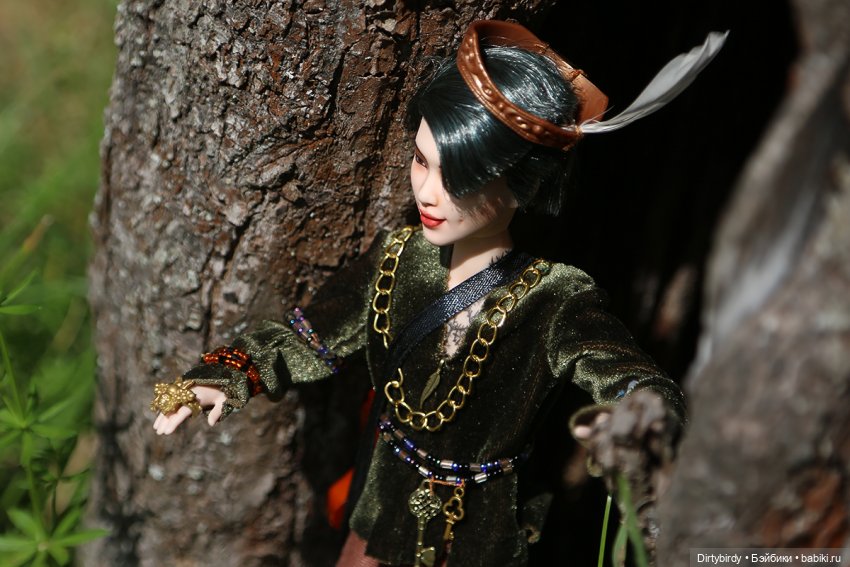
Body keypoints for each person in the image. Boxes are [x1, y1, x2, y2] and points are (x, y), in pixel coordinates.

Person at [151, 20, 725, 566]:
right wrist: (227, 375)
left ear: (522, 185)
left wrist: (638, 427)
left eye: (460, 179)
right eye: (421, 161)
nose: (428, 192)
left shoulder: (555, 301)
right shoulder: (397, 259)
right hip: (382, 512)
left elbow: (634, 381)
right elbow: (308, 334)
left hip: (482, 533)